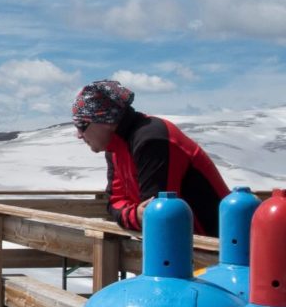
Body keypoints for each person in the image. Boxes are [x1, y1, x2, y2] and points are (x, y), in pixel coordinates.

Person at [72, 80, 229, 236]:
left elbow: (158, 214)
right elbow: (116, 203)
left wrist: (135, 215)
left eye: (81, 124)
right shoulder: (114, 149)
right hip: (188, 246)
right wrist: (135, 215)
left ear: (105, 120)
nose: (78, 134)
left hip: (219, 245)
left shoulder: (152, 139)